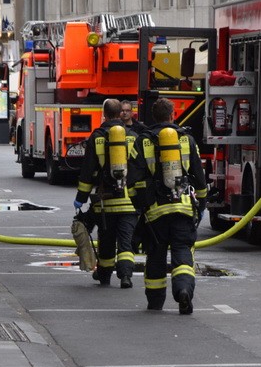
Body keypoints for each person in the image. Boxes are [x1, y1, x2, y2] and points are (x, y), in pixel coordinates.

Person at [128, 97, 207, 314]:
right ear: (173, 115)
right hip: (183, 208)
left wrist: (141, 206)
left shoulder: (143, 141)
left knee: (155, 255)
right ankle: (183, 291)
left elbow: (132, 181)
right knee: (183, 252)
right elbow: (199, 177)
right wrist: (201, 203)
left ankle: (155, 302)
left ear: (154, 117)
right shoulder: (186, 139)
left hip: (155, 213)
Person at [74, 99, 139, 288]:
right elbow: (139, 170)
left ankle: (104, 275)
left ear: (104, 114)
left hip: (106, 202)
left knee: (107, 240)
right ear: (120, 114)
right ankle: (126, 276)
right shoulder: (133, 137)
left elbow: (87, 172)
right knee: (126, 242)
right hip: (129, 202)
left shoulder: (97, 137)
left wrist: (80, 199)